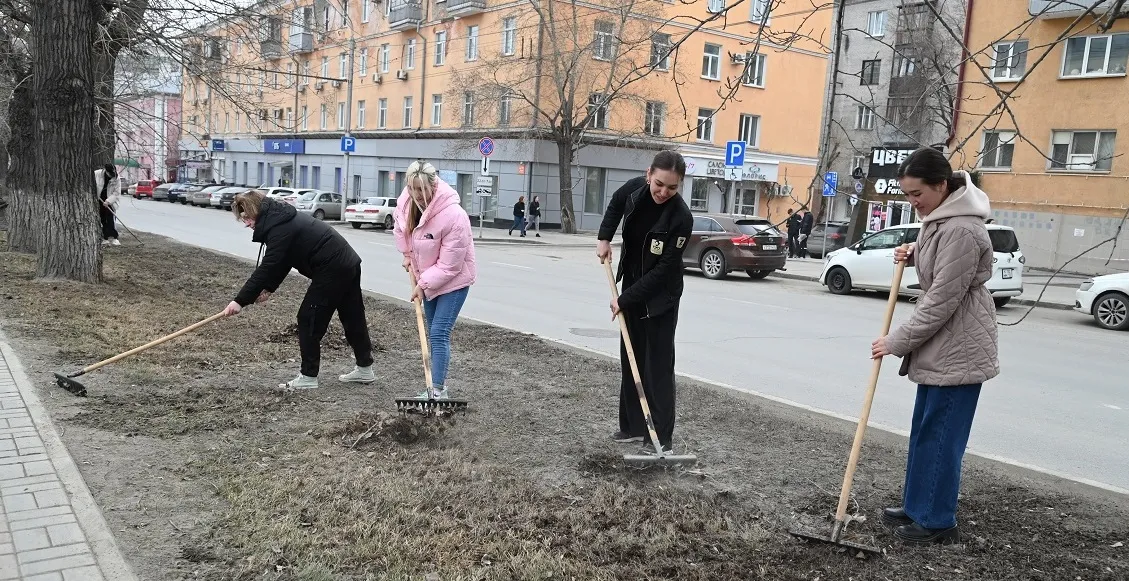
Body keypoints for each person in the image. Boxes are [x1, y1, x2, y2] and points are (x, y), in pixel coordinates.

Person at [870, 147, 999, 546]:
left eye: (916, 194)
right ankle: (916, 506)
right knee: (926, 431)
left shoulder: (961, 229)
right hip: (942, 347)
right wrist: (913, 254)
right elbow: (941, 268)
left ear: (941, 186)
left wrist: (895, 342)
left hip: (958, 346)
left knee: (942, 437)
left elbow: (943, 299)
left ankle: (938, 521)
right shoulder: (941, 219)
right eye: (907, 195)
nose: (913, 203)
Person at [222, 190, 376, 389]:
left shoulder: (279, 228)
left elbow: (268, 266)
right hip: (347, 262)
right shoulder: (281, 220)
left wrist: (239, 301)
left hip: (333, 267)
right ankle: (365, 369)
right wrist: (269, 288)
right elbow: (284, 260)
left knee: (308, 317)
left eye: (247, 218)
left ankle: (308, 376)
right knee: (352, 316)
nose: (246, 223)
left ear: (255, 211)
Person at [596, 150, 694, 454]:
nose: (664, 192)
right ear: (649, 174)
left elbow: (664, 270)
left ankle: (661, 437)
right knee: (631, 358)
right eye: (660, 184)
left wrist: (625, 298)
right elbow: (614, 204)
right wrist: (604, 238)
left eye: (672, 187)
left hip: (660, 299)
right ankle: (632, 427)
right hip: (631, 286)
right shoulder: (634, 191)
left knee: (658, 367)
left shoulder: (681, 217)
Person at [393, 161, 477, 400]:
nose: (417, 195)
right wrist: (407, 256)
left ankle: (437, 390)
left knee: (439, 332)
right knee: (431, 331)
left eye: (422, 189)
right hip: (426, 279)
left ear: (434, 185)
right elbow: (401, 231)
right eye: (412, 188)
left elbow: (450, 265)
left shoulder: (454, 215)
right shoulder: (406, 203)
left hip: (454, 281)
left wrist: (422, 285)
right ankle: (433, 388)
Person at [95, 164, 121, 246]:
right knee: (102, 219)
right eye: (109, 173)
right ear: (105, 170)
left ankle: (114, 237)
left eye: (112, 174)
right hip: (99, 199)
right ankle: (105, 238)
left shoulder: (117, 178)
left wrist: (108, 201)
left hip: (110, 200)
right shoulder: (97, 174)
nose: (111, 176)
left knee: (111, 219)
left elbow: (116, 193)